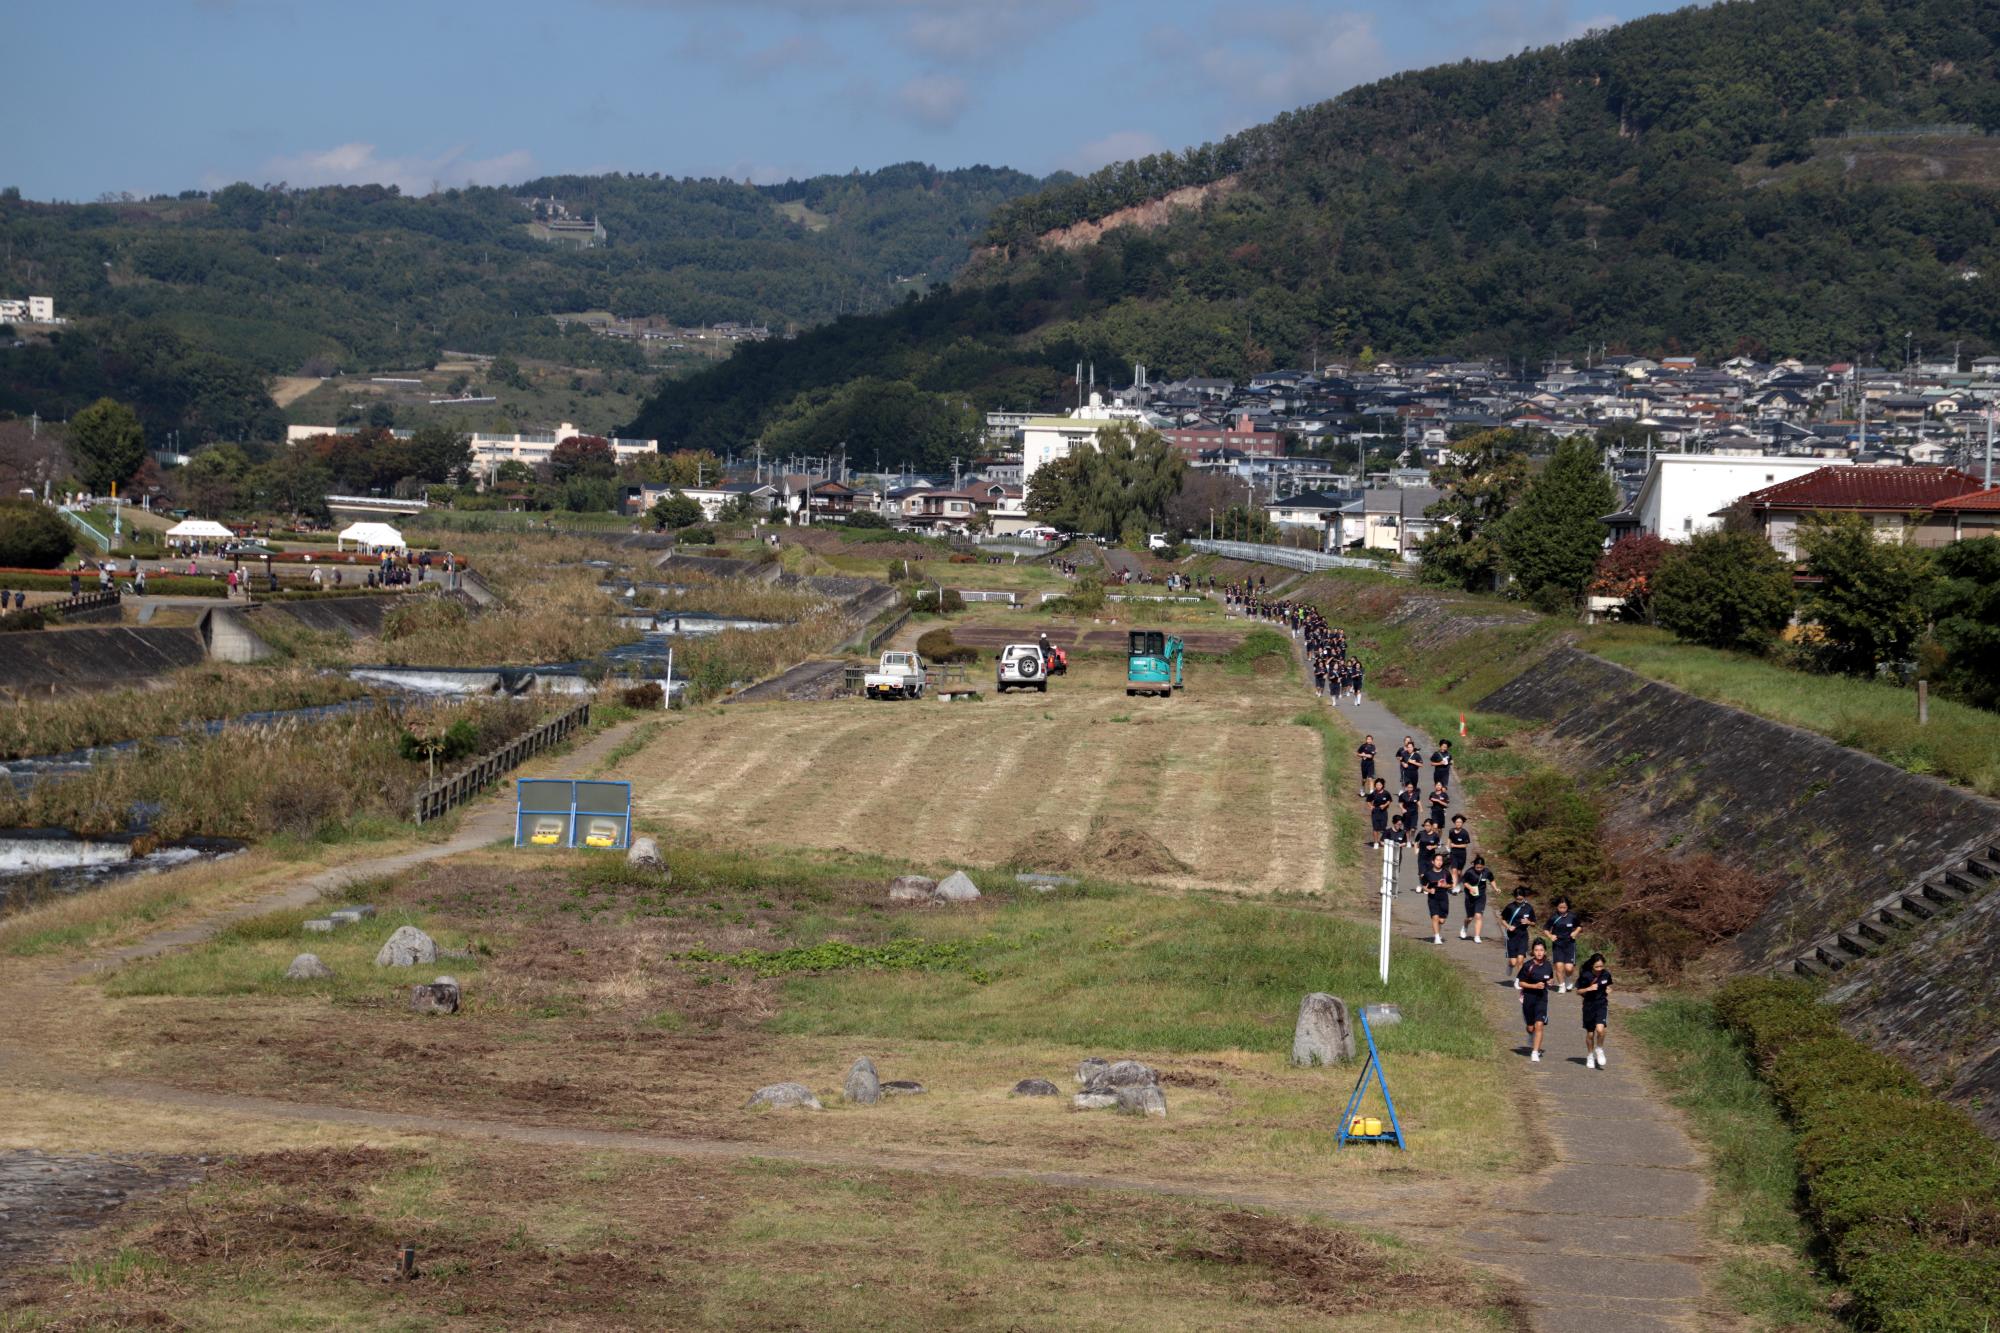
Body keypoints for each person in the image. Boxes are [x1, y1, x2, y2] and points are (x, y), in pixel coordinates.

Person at [1575, 952, 1614, 1068]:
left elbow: (1607, 985)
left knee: (1601, 1030)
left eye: (1601, 966)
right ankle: (1590, 1055)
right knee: (1590, 1034)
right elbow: (1578, 991)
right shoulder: (1586, 976)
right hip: (1588, 1006)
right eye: (1596, 967)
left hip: (1601, 1004)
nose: (1599, 969)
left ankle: (1600, 1049)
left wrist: (1608, 990)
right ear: (1592, 966)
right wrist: (1589, 988)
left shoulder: (1606, 974)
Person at [1518, 941, 1554, 1062]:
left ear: (1545, 952)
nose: (1539, 953)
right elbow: (1520, 983)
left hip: (1542, 999)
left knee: (1539, 1024)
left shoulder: (1548, 965)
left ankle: (1535, 1051)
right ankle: (1531, 1034)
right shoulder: (1528, 966)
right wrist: (1534, 986)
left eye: (1541, 950)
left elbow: (1550, 979)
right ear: (1533, 951)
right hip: (1529, 998)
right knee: (1530, 1027)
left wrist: (1550, 982)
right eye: (1537, 950)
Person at [1544, 897, 1581, 993]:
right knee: (1559, 966)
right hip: (1558, 945)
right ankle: (1561, 985)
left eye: (1564, 907)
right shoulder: (1554, 917)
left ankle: (1568, 979)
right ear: (1557, 907)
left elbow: (1579, 927)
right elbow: (1546, 929)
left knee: (1569, 968)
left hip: (1570, 944)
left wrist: (1575, 932)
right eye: (1560, 907)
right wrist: (1550, 936)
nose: (1562, 909)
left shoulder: (1572, 916)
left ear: (1567, 907)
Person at [1502, 887, 1536, 982]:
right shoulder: (1510, 907)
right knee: (1513, 962)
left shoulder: (1529, 908)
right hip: (1511, 936)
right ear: (1514, 897)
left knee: (1520, 959)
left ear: (1524, 897)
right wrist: (1508, 926)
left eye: (1521, 899)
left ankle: (1519, 980)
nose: (1519, 901)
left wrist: (1528, 922)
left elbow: (1534, 923)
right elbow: (1502, 919)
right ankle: (1510, 965)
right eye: (1517, 899)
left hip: (1523, 935)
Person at [1460, 853, 1491, 943]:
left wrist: (1496, 888)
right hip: (1470, 896)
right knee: (1470, 917)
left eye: (1481, 867)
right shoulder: (1469, 872)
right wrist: (1470, 888)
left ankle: (1477, 936)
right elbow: (1464, 882)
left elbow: (1492, 880)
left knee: (1478, 915)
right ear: (1474, 866)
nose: (1479, 869)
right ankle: (1465, 926)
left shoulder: (1487, 872)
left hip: (1481, 896)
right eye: (1477, 867)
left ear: (1483, 866)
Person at [1424, 852, 1453, 944]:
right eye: (1437, 860)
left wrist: (1445, 885)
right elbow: (1424, 886)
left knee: (1441, 920)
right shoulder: (1428, 874)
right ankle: (1437, 937)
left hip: (1443, 897)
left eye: (1441, 860)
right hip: (1433, 898)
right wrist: (1429, 890)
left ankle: (1437, 930)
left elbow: (1451, 885)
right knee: (1435, 917)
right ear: (1433, 862)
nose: (1439, 862)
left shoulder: (1446, 873)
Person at [1365, 778, 1392, 849]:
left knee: (1383, 827)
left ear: (1382, 785)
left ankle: (1382, 840)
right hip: (1375, 812)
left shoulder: (1386, 793)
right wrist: (1371, 806)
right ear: (1375, 785)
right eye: (1377, 785)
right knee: (1375, 828)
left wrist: (1384, 805)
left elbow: (1389, 801)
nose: (1378, 786)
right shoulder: (1373, 793)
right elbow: (1368, 800)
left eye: (1380, 785)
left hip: (1383, 812)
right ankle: (1376, 843)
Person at [1356, 735, 1378, 799]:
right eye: (1368, 739)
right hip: (1364, 764)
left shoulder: (1373, 747)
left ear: (1372, 740)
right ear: (1366, 740)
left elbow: (1371, 756)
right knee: (1364, 779)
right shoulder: (1363, 746)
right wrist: (1361, 755)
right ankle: (1362, 789)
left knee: (1370, 778)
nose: (1369, 740)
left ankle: (1371, 793)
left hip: (1370, 764)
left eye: (1370, 739)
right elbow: (1357, 753)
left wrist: (1365, 754)